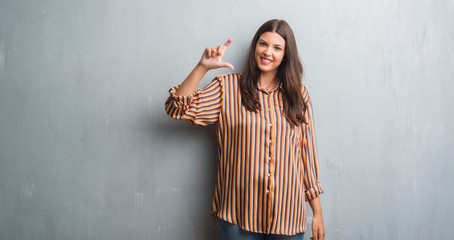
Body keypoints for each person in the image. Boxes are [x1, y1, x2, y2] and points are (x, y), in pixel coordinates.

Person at [165, 19, 325, 240]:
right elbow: (177, 108)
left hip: (288, 216)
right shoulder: (227, 88)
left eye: (277, 48)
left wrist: (317, 212)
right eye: (263, 44)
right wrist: (202, 67)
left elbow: (307, 156)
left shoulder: (298, 95)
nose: (267, 52)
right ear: (254, 47)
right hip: (238, 216)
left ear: (286, 55)